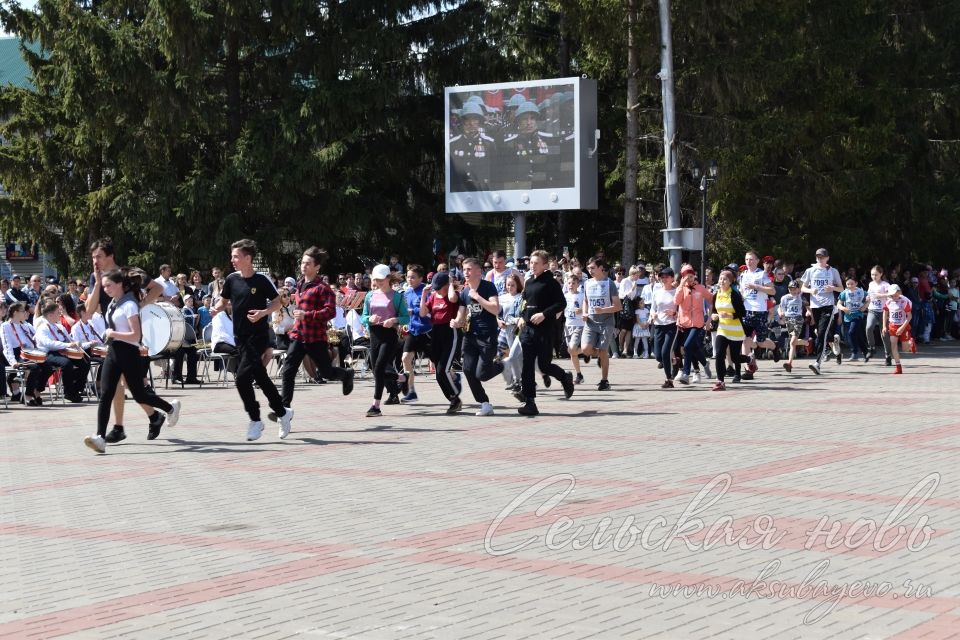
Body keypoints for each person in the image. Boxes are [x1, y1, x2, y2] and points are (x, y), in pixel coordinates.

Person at [83, 269, 181, 453]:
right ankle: (100, 438)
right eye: (104, 286)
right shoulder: (113, 303)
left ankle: (170, 408)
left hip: (129, 353)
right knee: (106, 394)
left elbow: (136, 335)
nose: (106, 289)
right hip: (113, 352)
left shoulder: (130, 304)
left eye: (108, 285)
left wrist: (113, 333)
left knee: (139, 395)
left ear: (120, 284)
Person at [211, 239, 293, 441]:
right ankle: (283, 412)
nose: (232, 260)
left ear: (248, 258)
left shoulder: (262, 280)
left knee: (241, 379)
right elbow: (225, 300)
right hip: (240, 337)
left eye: (236, 256)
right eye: (232, 256)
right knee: (261, 377)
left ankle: (255, 419)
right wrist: (217, 308)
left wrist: (263, 312)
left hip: (257, 337)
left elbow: (277, 302)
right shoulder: (231, 279)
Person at [85, 238, 164, 442]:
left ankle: (152, 416)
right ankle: (142, 419)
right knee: (118, 383)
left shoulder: (129, 273)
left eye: (99, 257)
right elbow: (90, 310)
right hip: (113, 335)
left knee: (125, 383)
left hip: (129, 333)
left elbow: (157, 288)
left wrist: (141, 306)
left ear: (110, 256)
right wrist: (95, 280)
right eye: (93, 257)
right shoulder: (96, 279)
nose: (95, 261)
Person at [277, 247, 354, 425]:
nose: (303, 266)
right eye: (302, 262)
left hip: (315, 337)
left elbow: (330, 312)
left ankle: (345, 374)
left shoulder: (323, 288)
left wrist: (307, 315)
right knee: (288, 371)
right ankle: (284, 411)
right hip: (298, 335)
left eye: (308, 263)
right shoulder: (299, 283)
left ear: (317, 267)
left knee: (326, 373)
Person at [514, 250, 573, 416]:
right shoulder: (529, 281)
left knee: (544, 365)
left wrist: (544, 314)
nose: (532, 266)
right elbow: (524, 302)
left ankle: (564, 377)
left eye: (536, 263)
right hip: (527, 330)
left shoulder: (550, 282)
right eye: (531, 263)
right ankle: (530, 402)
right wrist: (520, 317)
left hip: (545, 330)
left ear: (545, 265)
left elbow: (561, 303)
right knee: (527, 365)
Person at [451, 257, 503, 416]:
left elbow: (496, 309)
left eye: (468, 269)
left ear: (478, 271)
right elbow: (461, 314)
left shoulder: (488, 287)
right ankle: (484, 403)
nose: (465, 272)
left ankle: (503, 365)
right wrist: (456, 322)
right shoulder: (464, 291)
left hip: (487, 335)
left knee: (482, 374)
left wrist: (478, 297)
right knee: (467, 370)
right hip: (470, 336)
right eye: (464, 269)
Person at [360, 264, 409, 417]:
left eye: (381, 279)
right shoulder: (369, 295)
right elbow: (363, 317)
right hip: (374, 335)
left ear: (388, 278)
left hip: (389, 335)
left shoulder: (397, 296)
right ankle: (402, 377)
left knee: (380, 368)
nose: (378, 282)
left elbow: (406, 317)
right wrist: (370, 318)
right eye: (375, 279)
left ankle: (376, 406)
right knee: (376, 370)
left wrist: (394, 320)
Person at [421, 272, 463, 414]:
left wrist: (450, 283)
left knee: (442, 369)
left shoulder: (454, 294)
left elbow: (451, 298)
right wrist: (423, 295)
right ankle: (452, 399)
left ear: (446, 285)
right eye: (436, 287)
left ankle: (456, 397)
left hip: (450, 332)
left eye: (440, 287)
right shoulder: (433, 296)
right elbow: (422, 313)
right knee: (438, 373)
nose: (437, 290)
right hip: (436, 333)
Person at [35, 302, 90, 403]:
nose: (60, 314)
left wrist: (75, 343)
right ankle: (68, 392)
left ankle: (77, 389)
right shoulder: (42, 328)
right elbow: (49, 344)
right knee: (66, 363)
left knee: (85, 361)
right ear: (50, 315)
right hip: (49, 354)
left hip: (63, 351)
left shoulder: (60, 327)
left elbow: (69, 340)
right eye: (57, 312)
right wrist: (67, 345)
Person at [800, 248, 844, 375]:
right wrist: (810, 291)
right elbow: (803, 287)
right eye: (818, 257)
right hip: (815, 306)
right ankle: (834, 341)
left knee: (822, 333)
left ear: (827, 258)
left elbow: (841, 288)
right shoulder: (810, 271)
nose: (820, 259)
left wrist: (832, 288)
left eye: (822, 257)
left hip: (828, 305)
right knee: (819, 332)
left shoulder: (833, 271)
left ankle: (817, 363)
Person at [737, 251, 779, 380]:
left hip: (759, 311)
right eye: (746, 259)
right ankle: (749, 369)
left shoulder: (762, 274)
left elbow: (772, 290)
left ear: (757, 261)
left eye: (751, 259)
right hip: (746, 311)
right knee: (745, 340)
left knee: (760, 342)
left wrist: (756, 286)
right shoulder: (743, 275)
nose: (748, 262)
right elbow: (742, 291)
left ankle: (775, 347)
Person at [580, 257, 621, 390]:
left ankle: (604, 381)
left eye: (592, 268)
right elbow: (585, 301)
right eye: (588, 268)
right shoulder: (587, 283)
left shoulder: (609, 283)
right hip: (591, 321)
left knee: (603, 351)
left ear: (600, 268)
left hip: (606, 321)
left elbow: (618, 306)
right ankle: (601, 356)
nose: (590, 270)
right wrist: (585, 313)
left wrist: (603, 310)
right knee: (585, 349)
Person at [1, 301, 46, 405]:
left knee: (47, 365)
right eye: (22, 311)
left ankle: (36, 391)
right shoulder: (5, 326)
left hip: (27, 352)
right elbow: (7, 346)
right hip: (16, 353)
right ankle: (28, 395)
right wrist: (12, 362)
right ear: (15, 312)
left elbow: (33, 340)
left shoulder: (24, 325)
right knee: (35, 367)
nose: (25, 313)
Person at [674, 264, 713, 385]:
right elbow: (676, 301)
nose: (690, 279)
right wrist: (681, 285)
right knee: (693, 347)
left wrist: (709, 318)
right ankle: (705, 363)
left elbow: (712, 300)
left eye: (691, 276)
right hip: (684, 323)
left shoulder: (700, 288)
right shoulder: (681, 288)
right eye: (687, 277)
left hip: (697, 323)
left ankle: (686, 373)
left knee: (687, 346)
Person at [709, 270, 747, 390]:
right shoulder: (716, 294)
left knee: (735, 358)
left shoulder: (734, 295)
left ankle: (749, 359)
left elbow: (743, 312)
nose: (722, 281)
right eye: (720, 278)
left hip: (736, 330)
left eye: (725, 279)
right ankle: (720, 381)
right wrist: (713, 316)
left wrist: (731, 316)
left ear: (730, 282)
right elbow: (715, 311)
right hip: (722, 329)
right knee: (719, 354)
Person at [400, 264, 431, 403]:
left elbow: (430, 311)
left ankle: (454, 378)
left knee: (438, 363)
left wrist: (415, 311)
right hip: (413, 331)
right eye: (408, 277)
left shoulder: (427, 291)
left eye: (413, 277)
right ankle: (411, 391)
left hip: (427, 331)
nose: (409, 279)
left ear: (420, 278)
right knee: (405, 358)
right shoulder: (406, 293)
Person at [650, 267, 679, 388]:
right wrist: (653, 314)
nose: (664, 279)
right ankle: (675, 361)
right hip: (658, 325)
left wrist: (674, 313)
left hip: (671, 325)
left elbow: (682, 310)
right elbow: (653, 307)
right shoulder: (657, 291)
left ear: (672, 278)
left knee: (665, 352)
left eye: (666, 276)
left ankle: (669, 380)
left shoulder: (677, 292)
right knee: (658, 355)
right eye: (662, 277)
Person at [882, 284, 914, 374]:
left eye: (895, 295)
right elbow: (885, 313)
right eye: (892, 295)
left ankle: (911, 342)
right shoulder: (888, 302)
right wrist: (884, 326)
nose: (894, 297)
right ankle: (898, 367)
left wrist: (902, 328)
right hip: (893, 326)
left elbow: (909, 316)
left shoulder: (904, 302)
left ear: (899, 292)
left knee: (905, 349)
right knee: (893, 346)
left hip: (903, 325)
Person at [778, 280, 808, 373]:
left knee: (791, 343)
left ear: (798, 289)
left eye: (795, 289)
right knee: (793, 342)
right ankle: (806, 343)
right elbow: (780, 307)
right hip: (788, 320)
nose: (793, 291)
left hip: (798, 319)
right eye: (791, 289)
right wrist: (781, 314)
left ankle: (789, 363)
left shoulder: (800, 297)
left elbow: (807, 305)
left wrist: (809, 312)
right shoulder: (785, 298)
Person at [837, 277, 868, 361]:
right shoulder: (844, 293)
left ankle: (854, 353)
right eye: (848, 284)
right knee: (857, 335)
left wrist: (864, 306)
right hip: (847, 317)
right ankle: (866, 352)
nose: (850, 286)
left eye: (852, 284)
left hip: (858, 315)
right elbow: (839, 304)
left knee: (851, 333)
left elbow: (869, 299)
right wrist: (844, 309)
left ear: (856, 283)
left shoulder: (861, 292)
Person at [865, 265, 891, 366]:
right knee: (868, 328)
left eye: (876, 274)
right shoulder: (871, 284)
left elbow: (892, 294)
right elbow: (869, 294)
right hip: (872, 309)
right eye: (872, 274)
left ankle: (888, 356)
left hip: (883, 311)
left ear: (881, 274)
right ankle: (872, 348)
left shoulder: (885, 284)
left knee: (884, 334)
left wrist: (881, 295)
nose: (874, 276)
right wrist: (867, 297)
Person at [563, 272, 586, 384]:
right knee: (572, 352)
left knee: (572, 348)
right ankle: (579, 375)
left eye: (573, 283)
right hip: (568, 326)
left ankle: (587, 350)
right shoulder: (565, 296)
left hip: (579, 325)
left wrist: (582, 310)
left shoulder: (581, 295)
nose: (571, 285)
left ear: (578, 284)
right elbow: (560, 310)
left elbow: (588, 308)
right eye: (569, 283)